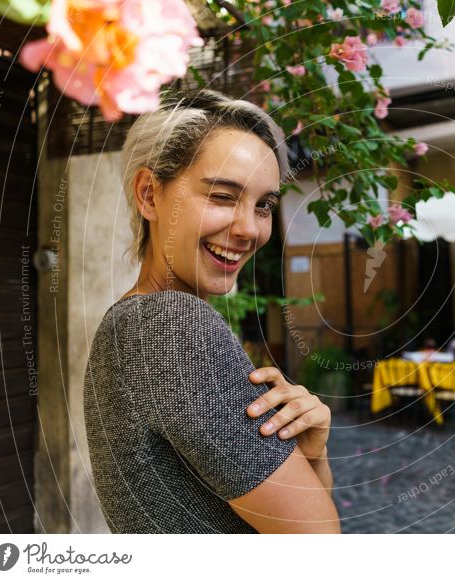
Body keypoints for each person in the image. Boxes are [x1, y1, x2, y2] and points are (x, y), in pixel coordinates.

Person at [84, 90, 340, 533]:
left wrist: (312, 451)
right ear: (149, 195)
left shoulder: (129, 322)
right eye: (223, 196)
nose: (248, 229)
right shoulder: (172, 326)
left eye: (264, 205)